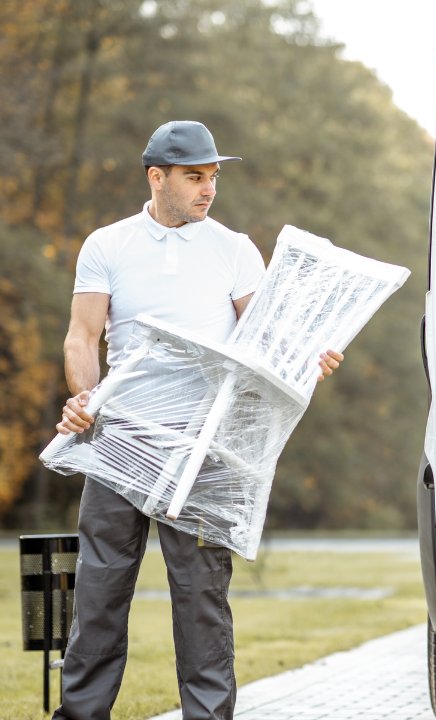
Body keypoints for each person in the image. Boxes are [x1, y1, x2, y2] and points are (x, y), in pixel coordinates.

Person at [53, 120, 342, 720]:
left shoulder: (234, 248)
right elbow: (82, 337)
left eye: (212, 177)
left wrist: (306, 358)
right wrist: (83, 400)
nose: (208, 189)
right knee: (101, 592)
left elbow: (266, 339)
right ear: (157, 177)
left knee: (201, 598)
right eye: (194, 178)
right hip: (120, 441)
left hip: (202, 448)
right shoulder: (107, 244)